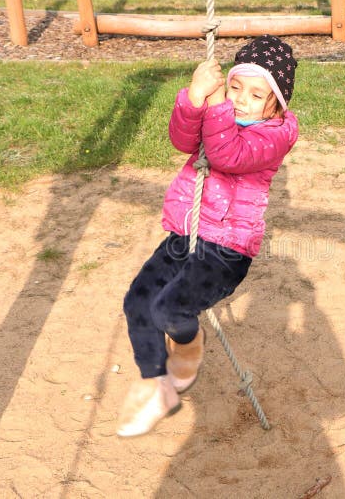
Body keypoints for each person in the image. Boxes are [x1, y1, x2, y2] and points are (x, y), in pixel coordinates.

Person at [116, 35, 299, 437]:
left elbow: (227, 156)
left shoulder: (276, 135)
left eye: (255, 94)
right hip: (188, 232)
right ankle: (155, 383)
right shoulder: (220, 113)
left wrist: (214, 108)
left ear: (277, 104)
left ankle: (188, 343)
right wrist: (192, 99)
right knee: (138, 303)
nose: (239, 100)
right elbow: (183, 141)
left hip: (227, 250)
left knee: (170, 311)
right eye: (234, 87)